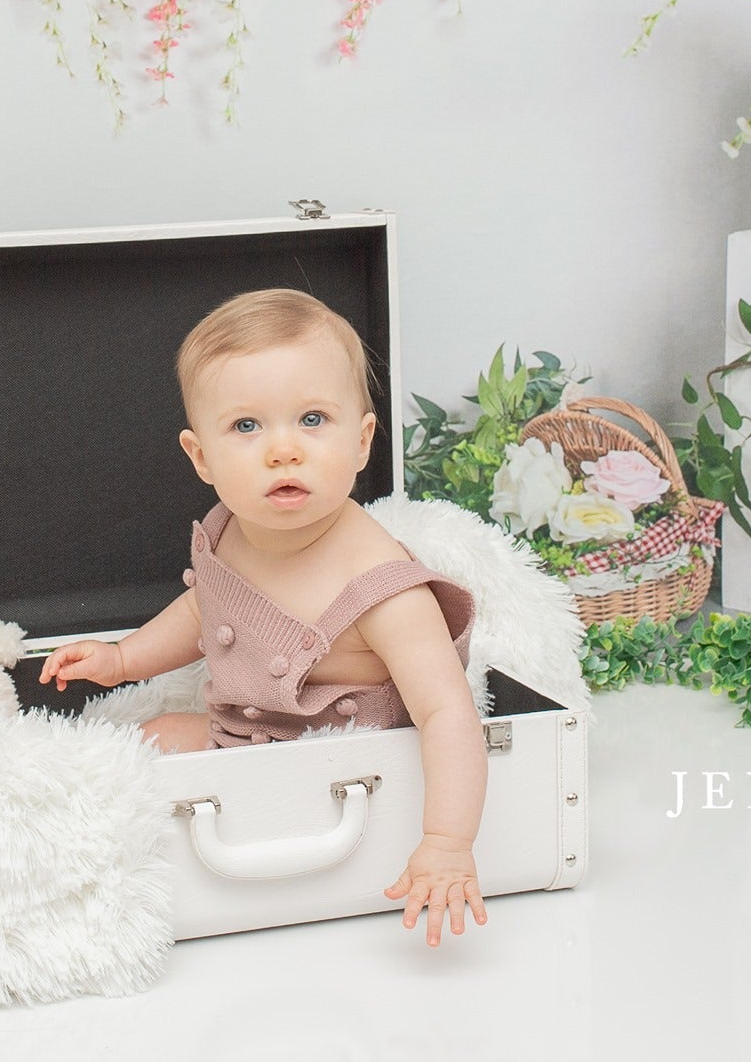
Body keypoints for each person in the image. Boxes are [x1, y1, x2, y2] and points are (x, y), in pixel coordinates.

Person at [37, 288, 489, 945]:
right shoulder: (231, 531)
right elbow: (205, 607)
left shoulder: (381, 585)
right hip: (243, 736)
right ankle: (76, 864)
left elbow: (448, 714)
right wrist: (124, 658)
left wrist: (447, 841)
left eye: (312, 419)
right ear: (201, 457)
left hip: (341, 774)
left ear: (362, 441)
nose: (282, 450)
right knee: (152, 737)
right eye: (247, 427)